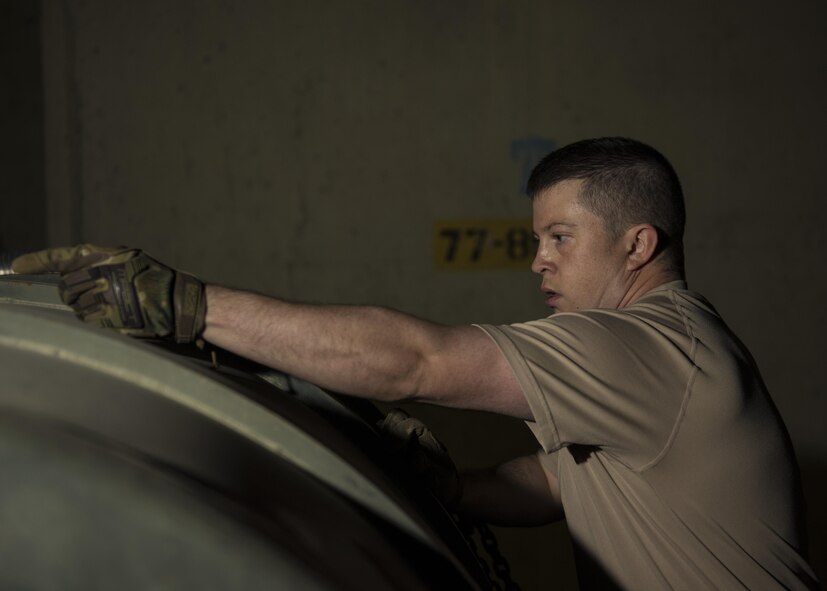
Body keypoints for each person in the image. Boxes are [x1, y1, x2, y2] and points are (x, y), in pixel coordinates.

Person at [13, 137, 819, 589]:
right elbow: (562, 478)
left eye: (560, 238)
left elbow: (414, 362)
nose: (537, 260)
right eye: (536, 239)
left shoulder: (637, 344)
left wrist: (183, 304)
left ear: (636, 243)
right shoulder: (670, 344)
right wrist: (452, 489)